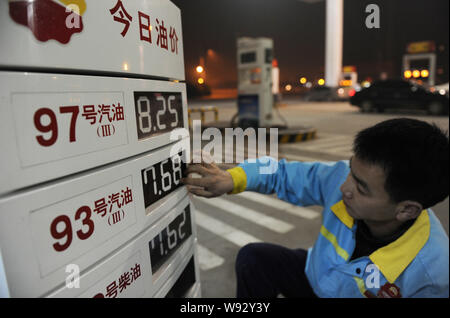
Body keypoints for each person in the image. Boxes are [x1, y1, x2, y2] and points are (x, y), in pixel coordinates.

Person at [181, 118, 449, 298]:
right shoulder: (341, 179)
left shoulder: (433, 273)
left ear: (406, 210)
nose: (345, 187)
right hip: (316, 275)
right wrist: (231, 179)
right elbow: (281, 173)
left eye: (361, 188)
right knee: (254, 259)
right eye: (351, 171)